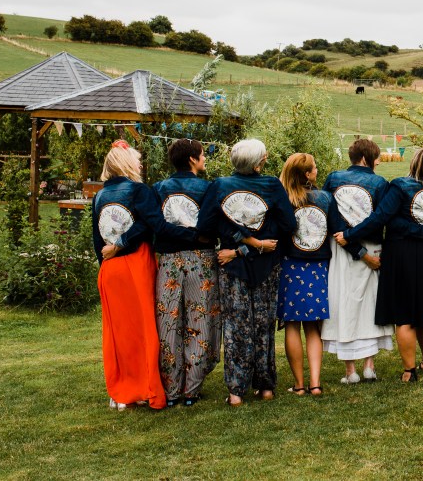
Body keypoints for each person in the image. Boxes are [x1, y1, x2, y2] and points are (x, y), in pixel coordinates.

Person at [336, 147, 423, 382]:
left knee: (405, 313)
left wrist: (350, 235)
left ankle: (410, 370)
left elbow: (383, 219)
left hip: (402, 252)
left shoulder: (400, 186)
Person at [93, 139, 197, 410]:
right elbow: (152, 225)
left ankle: (119, 390)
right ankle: (143, 387)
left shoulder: (100, 196)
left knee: (116, 332)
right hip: (135, 264)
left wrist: (108, 258)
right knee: (143, 328)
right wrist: (123, 243)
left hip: (109, 268)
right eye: (137, 161)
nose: (140, 165)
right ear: (126, 163)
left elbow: (97, 240)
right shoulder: (139, 190)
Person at [198, 138, 296, 406]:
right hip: (265, 263)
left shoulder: (219, 186)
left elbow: (205, 226)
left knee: (235, 325)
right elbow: (288, 225)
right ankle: (265, 387)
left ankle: (236, 390)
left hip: (233, 264)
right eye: (264, 157)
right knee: (263, 325)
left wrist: (239, 240)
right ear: (257, 163)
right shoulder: (271, 185)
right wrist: (254, 241)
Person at [153, 139, 221, 406]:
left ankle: (171, 389)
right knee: (200, 319)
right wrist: (195, 236)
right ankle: (191, 388)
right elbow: (211, 226)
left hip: (168, 261)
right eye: (202, 155)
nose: (204, 159)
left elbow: (157, 226)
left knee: (168, 321)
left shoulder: (159, 188)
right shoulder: (208, 188)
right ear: (192, 159)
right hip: (200, 259)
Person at [321, 139, 394, 383]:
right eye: (377, 157)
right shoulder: (380, 183)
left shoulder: (333, 178)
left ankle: (350, 370)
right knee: (368, 305)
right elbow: (380, 219)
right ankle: (368, 366)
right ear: (365, 158)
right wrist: (363, 254)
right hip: (368, 248)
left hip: (341, 246)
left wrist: (350, 242)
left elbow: (330, 219)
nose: (379, 162)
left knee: (344, 303)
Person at [278, 153, 333, 396]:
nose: (317, 170)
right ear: (308, 174)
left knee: (292, 325)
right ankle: (316, 383)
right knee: (313, 327)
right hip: (318, 266)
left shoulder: (284, 199)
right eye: (314, 167)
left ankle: (299, 385)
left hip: (290, 265)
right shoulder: (325, 198)